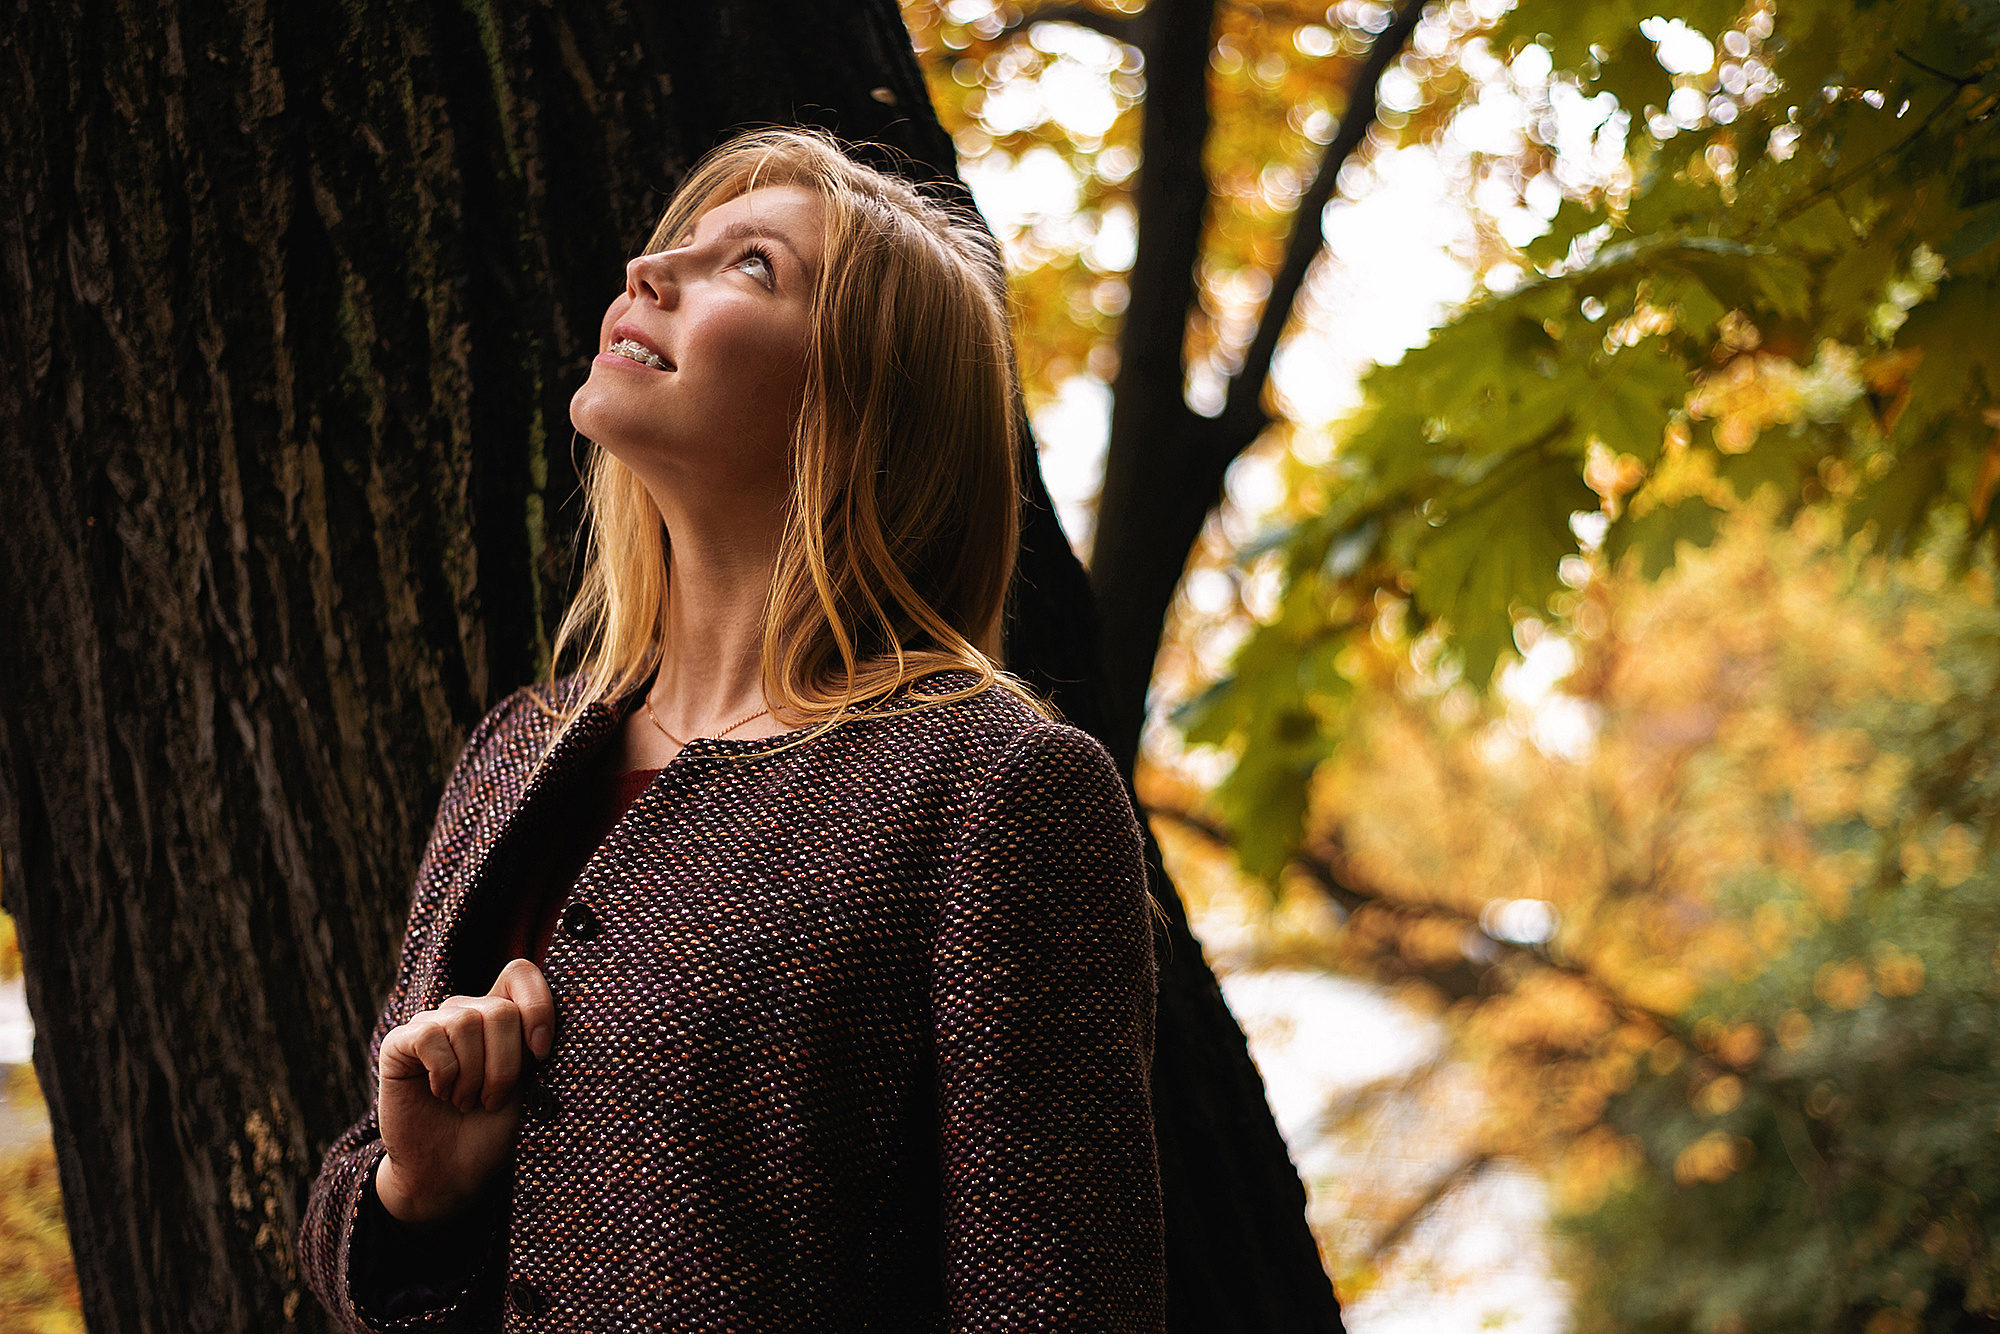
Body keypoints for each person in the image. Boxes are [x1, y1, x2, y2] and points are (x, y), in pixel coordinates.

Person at [297, 126, 1165, 1332]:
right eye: (674, 244)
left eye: (749, 266)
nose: (649, 269)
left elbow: (1059, 1299)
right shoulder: (520, 752)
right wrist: (416, 1192)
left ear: (865, 407)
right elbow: (364, 1231)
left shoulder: (993, 790)